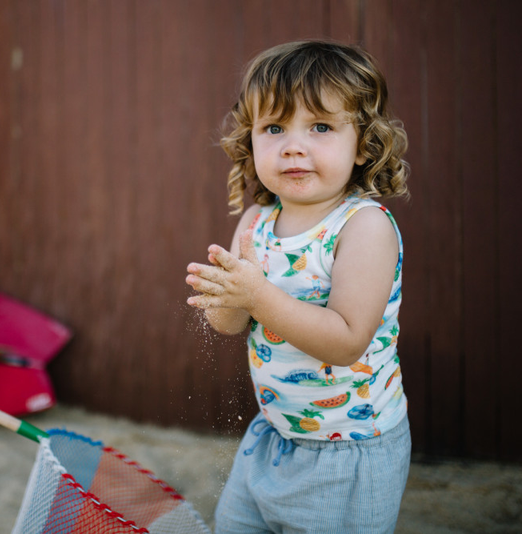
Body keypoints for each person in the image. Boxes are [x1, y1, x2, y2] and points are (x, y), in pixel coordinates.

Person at [185, 40, 411, 533]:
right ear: (251, 140)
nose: (292, 145)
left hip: (349, 448)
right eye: (273, 127)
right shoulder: (256, 221)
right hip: (273, 433)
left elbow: (348, 340)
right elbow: (231, 325)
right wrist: (223, 299)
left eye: (321, 127)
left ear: (364, 145)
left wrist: (257, 296)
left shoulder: (363, 226)